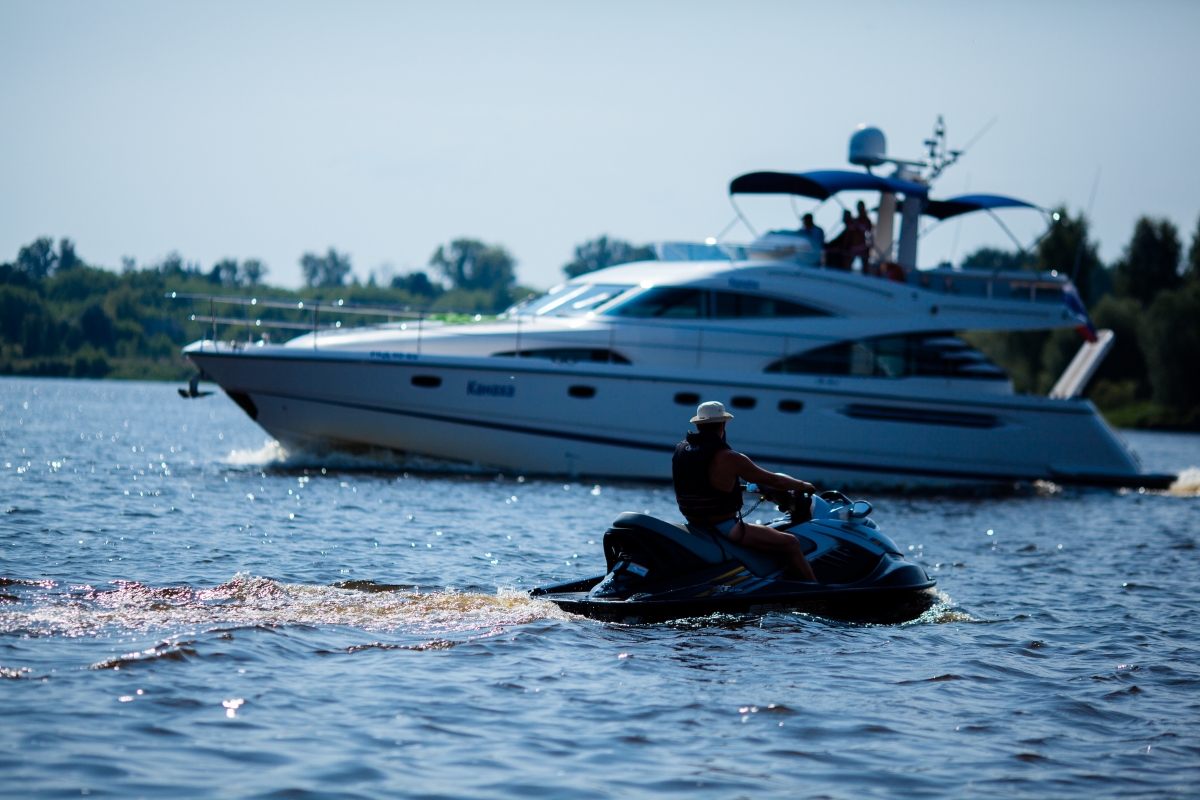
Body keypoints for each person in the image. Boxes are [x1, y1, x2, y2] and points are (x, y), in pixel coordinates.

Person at [672, 401, 819, 582]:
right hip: (725, 529)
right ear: (723, 425)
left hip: (694, 524)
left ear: (697, 426)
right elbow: (774, 481)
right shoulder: (730, 458)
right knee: (791, 543)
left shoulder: (680, 451)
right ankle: (815, 592)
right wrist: (803, 485)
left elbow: (703, 484)